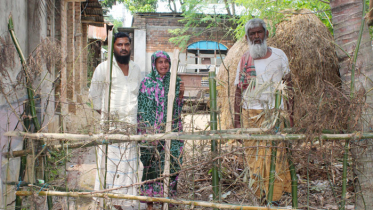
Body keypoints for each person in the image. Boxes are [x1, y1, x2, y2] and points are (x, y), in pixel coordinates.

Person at [233, 18, 291, 201]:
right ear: (247, 37)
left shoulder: (279, 55)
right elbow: (237, 91)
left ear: (266, 34)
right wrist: (236, 123)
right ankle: (260, 195)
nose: (256, 36)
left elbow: (289, 86)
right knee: (254, 157)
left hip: (275, 114)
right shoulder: (244, 59)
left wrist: (291, 115)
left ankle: (274, 197)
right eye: (252, 34)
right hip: (250, 114)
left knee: (275, 155)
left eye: (259, 32)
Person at [89, 32, 143, 210]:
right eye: (119, 44)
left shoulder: (136, 69)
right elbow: (94, 97)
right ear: (113, 47)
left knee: (128, 170)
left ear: (130, 47)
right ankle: (108, 204)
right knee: (109, 169)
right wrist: (108, 118)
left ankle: (123, 205)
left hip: (131, 130)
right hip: (110, 130)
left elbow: (139, 97)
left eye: (126, 44)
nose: (123, 48)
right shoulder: (103, 69)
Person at [137, 51, 184, 210]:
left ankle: (166, 200)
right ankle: (150, 204)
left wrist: (181, 94)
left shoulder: (175, 81)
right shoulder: (146, 82)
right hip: (152, 132)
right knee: (151, 167)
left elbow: (178, 107)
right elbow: (142, 109)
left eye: (166, 62)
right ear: (154, 64)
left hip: (171, 130)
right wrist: (148, 132)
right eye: (160, 62)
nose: (164, 65)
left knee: (171, 165)